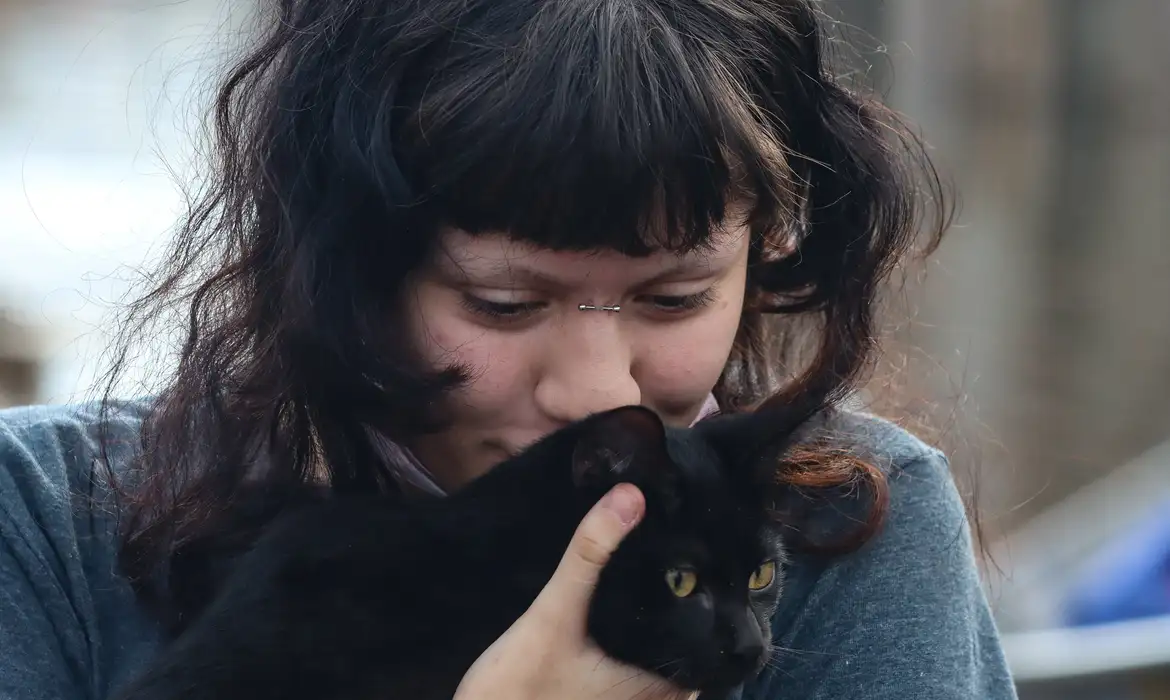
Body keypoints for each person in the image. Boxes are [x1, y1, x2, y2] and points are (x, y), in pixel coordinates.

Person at [0, 0, 1017, 698]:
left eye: (674, 296)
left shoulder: (848, 529)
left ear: (766, 255)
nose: (595, 392)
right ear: (343, 264)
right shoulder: (45, 526)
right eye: (503, 302)